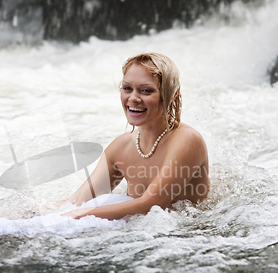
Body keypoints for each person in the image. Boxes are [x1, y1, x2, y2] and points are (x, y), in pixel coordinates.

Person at [61, 52, 209, 220]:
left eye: (145, 91)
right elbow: (77, 202)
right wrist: (31, 213)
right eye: (127, 88)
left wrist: (81, 214)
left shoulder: (187, 140)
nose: (133, 98)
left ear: (171, 95)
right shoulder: (120, 147)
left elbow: (151, 205)